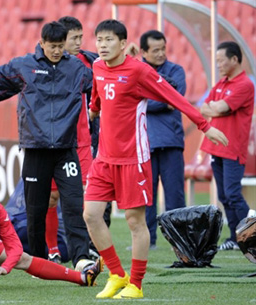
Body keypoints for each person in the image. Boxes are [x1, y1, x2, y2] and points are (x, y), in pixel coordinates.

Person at [83, 19, 228, 299]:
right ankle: (116, 274)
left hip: (133, 159)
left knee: (135, 222)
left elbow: (174, 97)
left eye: (109, 40)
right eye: (99, 40)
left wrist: (205, 125)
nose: (102, 45)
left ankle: (135, 284)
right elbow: (98, 95)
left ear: (123, 43)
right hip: (104, 158)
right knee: (90, 215)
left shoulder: (139, 70)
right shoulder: (97, 67)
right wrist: (92, 111)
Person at [0, 21, 93, 268]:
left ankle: (81, 257)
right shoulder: (24, 66)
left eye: (61, 46)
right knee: (35, 211)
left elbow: (103, 83)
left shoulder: (77, 69)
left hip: (66, 150)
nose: (57, 51)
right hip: (35, 150)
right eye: (52, 46)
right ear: (42, 43)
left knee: (73, 204)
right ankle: (39, 261)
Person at [39, 16, 111, 264]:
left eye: (82, 37)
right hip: (53, 141)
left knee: (87, 195)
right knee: (51, 197)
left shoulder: (89, 62)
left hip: (81, 140)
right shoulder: (42, 64)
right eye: (75, 38)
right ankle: (52, 249)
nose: (80, 42)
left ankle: (88, 247)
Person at [200, 41, 254, 251]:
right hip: (215, 148)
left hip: (233, 148)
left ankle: (250, 236)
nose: (218, 64)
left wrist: (216, 108)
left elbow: (220, 107)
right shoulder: (221, 83)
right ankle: (234, 237)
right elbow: (205, 108)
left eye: (221, 60)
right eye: (216, 61)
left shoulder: (245, 85)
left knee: (232, 194)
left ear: (234, 59)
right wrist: (216, 109)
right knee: (224, 196)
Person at [139, 30, 187, 249]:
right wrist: (162, 97)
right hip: (145, 143)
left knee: (175, 195)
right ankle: (149, 240)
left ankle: (181, 241)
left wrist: (146, 100)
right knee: (146, 196)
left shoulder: (176, 70)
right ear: (144, 52)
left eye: (163, 49)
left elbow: (175, 99)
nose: (160, 54)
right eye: (155, 50)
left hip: (171, 142)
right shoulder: (137, 71)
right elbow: (133, 100)